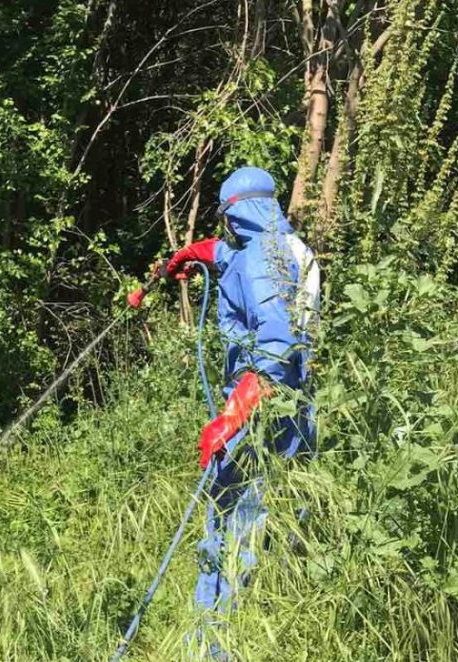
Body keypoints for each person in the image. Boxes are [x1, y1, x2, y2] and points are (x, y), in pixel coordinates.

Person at [164, 166, 320, 658]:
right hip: (295, 408)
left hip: (262, 406)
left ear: (240, 212)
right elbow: (231, 256)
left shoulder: (261, 262)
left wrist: (229, 418)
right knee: (268, 522)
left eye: (228, 218)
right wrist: (190, 255)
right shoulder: (284, 249)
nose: (227, 229)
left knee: (237, 526)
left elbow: (274, 353)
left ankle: (214, 646)